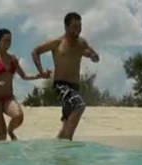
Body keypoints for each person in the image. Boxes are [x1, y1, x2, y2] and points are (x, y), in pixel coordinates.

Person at [31, 12, 100, 141]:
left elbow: (92, 54)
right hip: (60, 85)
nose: (78, 30)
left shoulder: (82, 43)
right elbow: (35, 51)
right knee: (79, 105)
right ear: (66, 27)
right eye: (74, 27)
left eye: (79, 26)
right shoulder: (57, 43)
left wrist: (93, 56)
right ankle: (68, 144)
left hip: (74, 86)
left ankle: (58, 150)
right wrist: (41, 71)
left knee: (67, 122)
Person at [0, 28, 42, 141]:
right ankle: (2, 157)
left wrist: (37, 76)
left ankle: (11, 130)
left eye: (10, 41)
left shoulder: (13, 59)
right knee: (2, 134)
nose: (8, 43)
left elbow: (23, 76)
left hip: (8, 97)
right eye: (6, 40)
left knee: (19, 116)